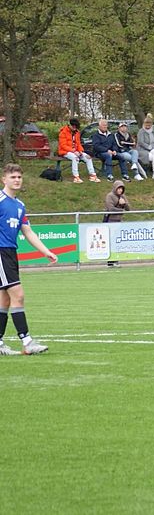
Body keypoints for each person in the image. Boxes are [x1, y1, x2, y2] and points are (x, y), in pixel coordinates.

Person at [0, 164, 57, 355]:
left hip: (10, 253)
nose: (17, 180)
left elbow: (28, 231)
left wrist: (46, 251)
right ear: (4, 179)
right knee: (18, 295)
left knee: (4, 300)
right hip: (0, 253)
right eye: (13, 177)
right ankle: (27, 341)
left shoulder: (20, 205)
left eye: (19, 177)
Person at [58, 117, 99, 183]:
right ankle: (76, 177)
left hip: (76, 151)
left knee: (88, 157)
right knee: (75, 158)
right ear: (69, 125)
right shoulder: (63, 132)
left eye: (76, 126)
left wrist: (81, 151)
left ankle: (93, 175)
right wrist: (73, 151)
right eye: (73, 126)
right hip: (65, 152)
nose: (74, 128)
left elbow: (78, 144)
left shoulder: (77, 132)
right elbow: (63, 145)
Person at [136, 113, 154, 180]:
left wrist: (152, 147)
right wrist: (148, 147)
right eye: (146, 124)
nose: (148, 126)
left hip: (152, 148)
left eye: (149, 124)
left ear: (151, 124)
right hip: (142, 150)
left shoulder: (153, 131)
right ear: (144, 124)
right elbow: (141, 142)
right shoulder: (141, 131)